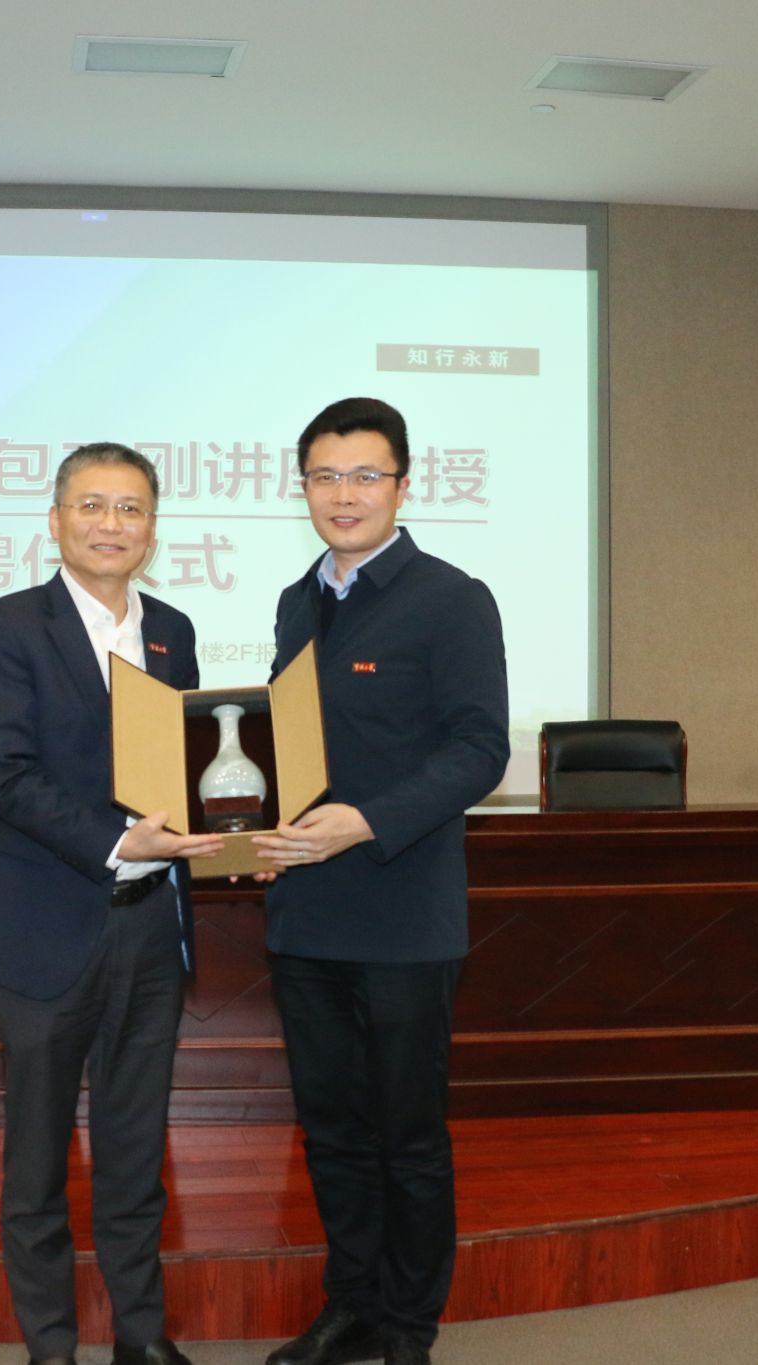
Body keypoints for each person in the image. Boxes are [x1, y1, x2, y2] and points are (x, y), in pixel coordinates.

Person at [0, 442, 223, 1365]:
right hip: (39, 928)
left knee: (136, 1151)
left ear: (153, 527)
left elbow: (181, 767)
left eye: (131, 508)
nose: (112, 524)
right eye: (92, 505)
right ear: (56, 519)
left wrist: (226, 833)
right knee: (36, 1160)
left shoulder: (171, 630)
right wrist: (116, 842)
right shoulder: (5, 626)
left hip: (150, 927)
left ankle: (142, 1338)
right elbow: (7, 774)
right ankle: (52, 1348)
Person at [252, 398, 510, 1365]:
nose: (344, 494)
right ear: (303, 487)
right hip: (305, 908)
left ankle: (408, 1324)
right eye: (325, 476)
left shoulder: (452, 598)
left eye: (365, 475)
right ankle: (352, 1303)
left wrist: (366, 819)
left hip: (404, 912)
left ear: (404, 484)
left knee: (407, 1132)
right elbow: (287, 744)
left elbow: (480, 748)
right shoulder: (297, 601)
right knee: (331, 1129)